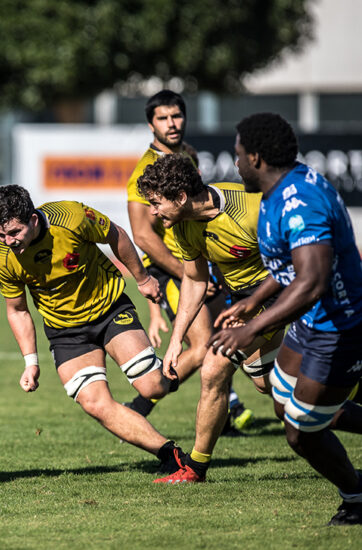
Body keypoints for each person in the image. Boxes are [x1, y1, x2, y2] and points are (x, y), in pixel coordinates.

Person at [208, 113, 362, 525]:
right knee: (283, 401)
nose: (234, 162)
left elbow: (310, 282)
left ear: (256, 157)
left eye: (238, 155)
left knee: (301, 432)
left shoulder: (300, 203)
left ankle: (356, 496)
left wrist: (251, 329)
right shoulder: (277, 191)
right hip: (308, 323)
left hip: (339, 328)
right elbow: (286, 271)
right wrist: (249, 302)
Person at [0, 185, 185, 473]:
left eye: (14, 232)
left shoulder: (72, 217)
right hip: (66, 332)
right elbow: (17, 310)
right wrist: (30, 362)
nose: (8, 241)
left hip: (109, 309)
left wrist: (142, 279)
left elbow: (115, 234)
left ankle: (167, 378)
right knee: (94, 402)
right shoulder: (1, 255)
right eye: (1, 233)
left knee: (152, 385)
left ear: (32, 219)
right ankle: (169, 454)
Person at [134, 153, 284, 484]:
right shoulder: (183, 225)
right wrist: (176, 340)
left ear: (182, 197)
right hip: (246, 302)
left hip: (286, 295)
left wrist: (261, 310)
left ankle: (195, 467)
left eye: (157, 203)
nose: (153, 212)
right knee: (271, 388)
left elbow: (296, 265)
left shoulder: (252, 209)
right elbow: (195, 280)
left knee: (215, 364)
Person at [125, 90, 251, 429]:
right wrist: (188, 273)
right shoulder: (146, 171)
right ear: (150, 124)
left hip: (199, 266)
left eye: (176, 115)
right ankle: (139, 407)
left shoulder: (186, 157)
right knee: (200, 347)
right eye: (163, 118)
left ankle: (225, 413)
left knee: (221, 338)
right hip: (175, 270)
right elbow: (142, 235)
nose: (172, 123)